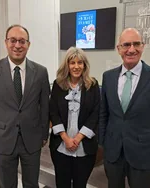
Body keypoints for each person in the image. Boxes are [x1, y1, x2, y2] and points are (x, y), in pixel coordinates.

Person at [99, 28, 150, 188]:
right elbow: (104, 114)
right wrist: (102, 143)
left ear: (143, 46)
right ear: (119, 49)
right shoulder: (108, 77)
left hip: (143, 154)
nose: (131, 49)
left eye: (136, 44)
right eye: (126, 45)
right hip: (113, 152)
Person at [0, 24, 50, 188]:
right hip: (3, 139)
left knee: (32, 183)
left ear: (28, 44)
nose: (17, 45)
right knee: (6, 184)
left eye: (22, 41)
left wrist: (44, 134)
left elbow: (45, 106)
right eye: (13, 40)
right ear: (6, 42)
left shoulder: (41, 72)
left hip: (32, 140)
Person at [49, 47, 100, 188]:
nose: (76, 66)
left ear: (85, 65)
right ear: (67, 65)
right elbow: (53, 112)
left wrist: (77, 138)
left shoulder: (93, 85)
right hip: (61, 145)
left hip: (84, 146)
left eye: (80, 63)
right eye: (72, 63)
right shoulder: (58, 85)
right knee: (62, 183)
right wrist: (66, 138)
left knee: (80, 184)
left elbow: (95, 114)